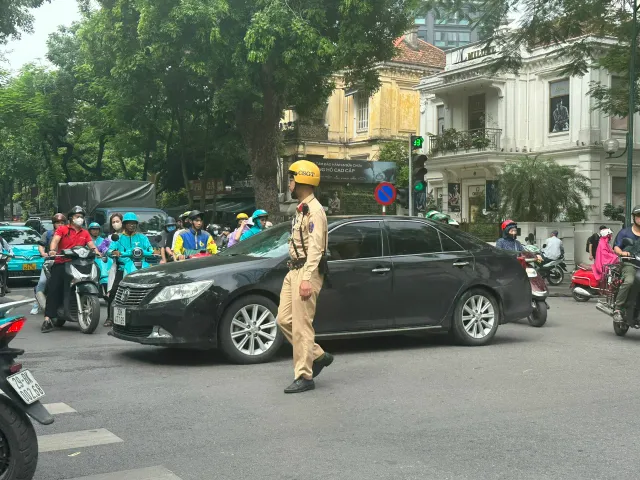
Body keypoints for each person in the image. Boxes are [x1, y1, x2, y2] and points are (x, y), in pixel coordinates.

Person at [276, 160, 333, 394]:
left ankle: (304, 376)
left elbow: (316, 248)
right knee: (283, 320)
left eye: (291, 179)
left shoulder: (315, 211)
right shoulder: (301, 208)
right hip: (294, 271)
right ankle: (317, 355)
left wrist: (307, 278)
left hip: (306, 271)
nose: (289, 183)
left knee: (301, 326)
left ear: (302, 180)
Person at [42, 206, 100, 333]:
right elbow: (55, 241)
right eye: (77, 216)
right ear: (70, 219)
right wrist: (52, 250)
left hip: (80, 263)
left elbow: (91, 245)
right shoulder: (62, 229)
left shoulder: (85, 232)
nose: (80, 219)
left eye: (81, 216)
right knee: (55, 288)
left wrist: (98, 252)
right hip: (62, 262)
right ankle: (47, 319)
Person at [105, 212, 154, 327]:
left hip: (141, 268)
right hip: (123, 269)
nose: (132, 226)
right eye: (129, 223)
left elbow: (151, 250)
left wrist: (148, 252)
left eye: (134, 223)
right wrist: (114, 252)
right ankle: (109, 317)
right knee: (114, 292)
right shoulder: (118, 238)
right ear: (124, 224)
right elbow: (109, 250)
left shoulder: (142, 237)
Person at [31, 213, 66, 315]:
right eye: (57, 223)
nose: (60, 224)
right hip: (50, 262)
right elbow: (41, 246)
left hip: (65, 262)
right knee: (42, 282)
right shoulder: (48, 234)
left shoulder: (68, 234)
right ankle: (36, 304)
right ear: (53, 224)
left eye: (62, 222)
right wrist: (43, 253)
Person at [612, 206, 640, 323]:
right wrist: (622, 252)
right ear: (634, 217)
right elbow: (616, 246)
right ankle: (618, 308)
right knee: (629, 281)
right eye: (638, 216)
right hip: (630, 264)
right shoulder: (625, 232)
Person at [0, 230, 13, 295]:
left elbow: (9, 248)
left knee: (4, 269)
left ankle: (4, 286)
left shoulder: (1, 240)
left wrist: (11, 254)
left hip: (1, 260)